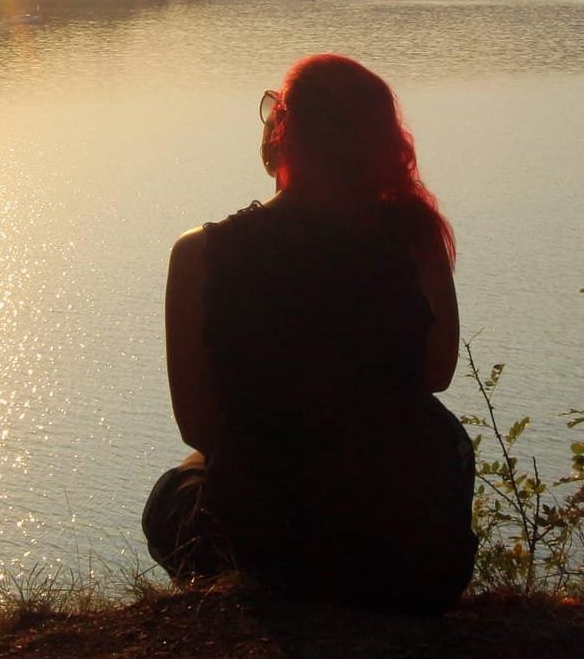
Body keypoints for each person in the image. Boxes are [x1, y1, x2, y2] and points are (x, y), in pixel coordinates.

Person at [143, 54, 476, 614]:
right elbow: (436, 374)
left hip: (274, 545)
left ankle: (242, 603)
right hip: (416, 557)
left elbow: (199, 426)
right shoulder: (413, 239)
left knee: (174, 494)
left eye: (275, 111)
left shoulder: (200, 254)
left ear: (285, 135)